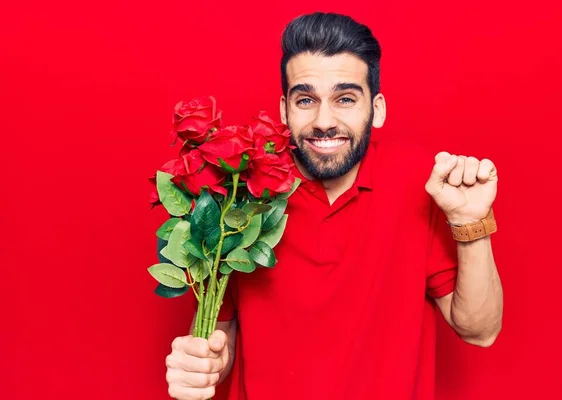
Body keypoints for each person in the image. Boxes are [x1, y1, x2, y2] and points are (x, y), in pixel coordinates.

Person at [165, 12, 503, 400]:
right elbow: (218, 344)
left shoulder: (421, 183)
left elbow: (480, 330)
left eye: (345, 98)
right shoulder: (240, 195)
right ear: (283, 110)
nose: (324, 120)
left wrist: (471, 223)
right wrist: (197, 368)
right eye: (306, 99)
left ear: (376, 109)